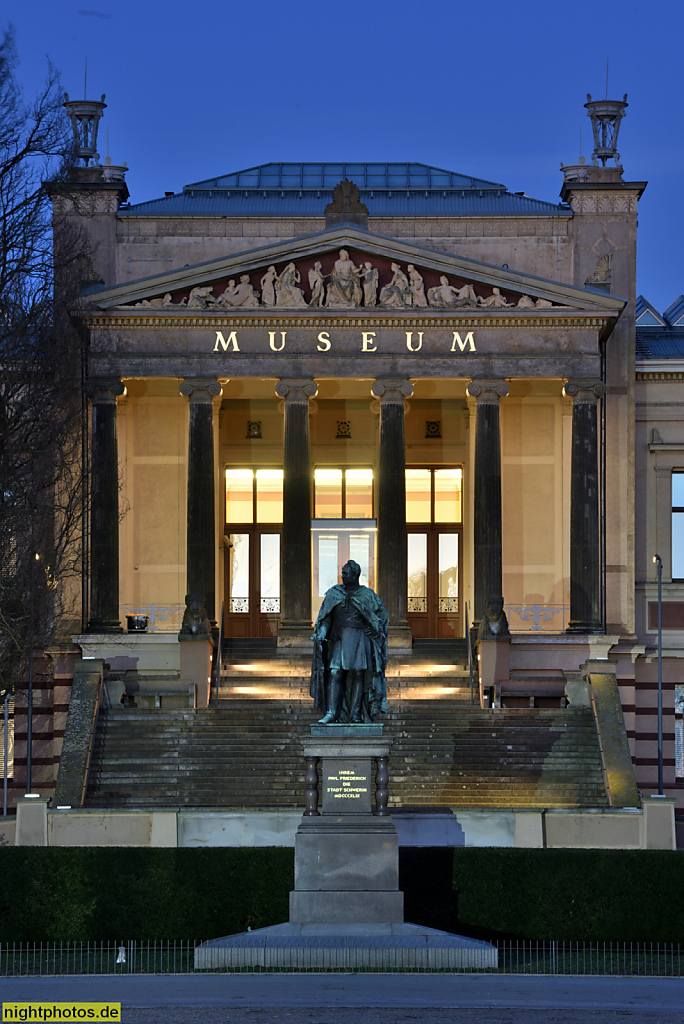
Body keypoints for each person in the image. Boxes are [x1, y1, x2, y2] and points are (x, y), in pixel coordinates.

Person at [311, 560, 388, 724]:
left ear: (355, 575)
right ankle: (331, 712)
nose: (343, 576)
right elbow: (326, 618)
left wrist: (373, 629)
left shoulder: (367, 595)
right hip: (340, 638)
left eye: (346, 573)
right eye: (342, 573)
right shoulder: (334, 593)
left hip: (359, 638)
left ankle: (355, 714)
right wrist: (322, 633)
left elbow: (381, 616)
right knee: (335, 672)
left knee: (358, 674)